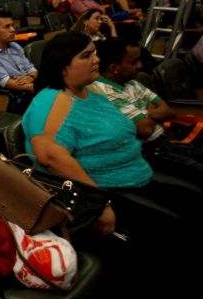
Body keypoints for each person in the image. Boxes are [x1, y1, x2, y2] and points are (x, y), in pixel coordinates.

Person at [21, 32, 194, 237]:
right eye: (86, 56)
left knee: (194, 198)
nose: (97, 60)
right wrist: (100, 204)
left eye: (94, 53)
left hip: (134, 172)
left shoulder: (92, 92)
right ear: (63, 67)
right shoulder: (50, 100)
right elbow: (50, 156)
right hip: (103, 192)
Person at [89, 39, 203, 181]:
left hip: (163, 142)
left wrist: (146, 114)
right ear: (114, 68)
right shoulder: (104, 92)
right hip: (147, 153)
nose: (140, 65)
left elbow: (168, 111)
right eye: (134, 62)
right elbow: (145, 129)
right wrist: (151, 111)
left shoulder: (132, 83)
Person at [0, 11, 37, 112]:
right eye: (7, 27)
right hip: (15, 98)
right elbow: (7, 83)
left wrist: (31, 77)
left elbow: (31, 68)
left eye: (12, 25)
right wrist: (37, 85)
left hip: (30, 87)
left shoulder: (15, 46)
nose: (13, 30)